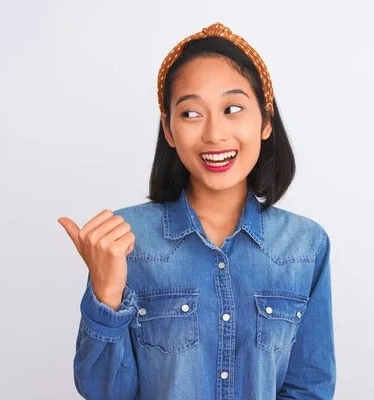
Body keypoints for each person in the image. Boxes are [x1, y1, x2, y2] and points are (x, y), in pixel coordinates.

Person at [58, 22, 336, 400]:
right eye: (191, 114)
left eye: (233, 108)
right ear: (169, 130)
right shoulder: (125, 240)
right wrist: (106, 294)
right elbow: (104, 393)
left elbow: (309, 388)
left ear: (266, 121)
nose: (214, 134)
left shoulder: (305, 245)